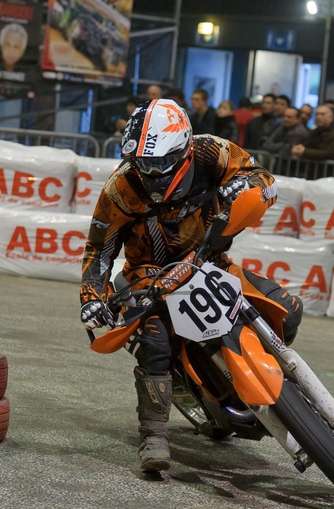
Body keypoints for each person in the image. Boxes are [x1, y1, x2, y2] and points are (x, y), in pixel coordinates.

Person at [80, 100, 303, 471]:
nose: (151, 174)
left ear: (183, 148)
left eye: (160, 163)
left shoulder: (212, 150)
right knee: (154, 339)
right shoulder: (119, 189)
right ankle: (153, 434)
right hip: (150, 275)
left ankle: (273, 377)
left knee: (287, 310)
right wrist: (91, 298)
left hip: (208, 260)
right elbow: (98, 249)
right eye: (142, 164)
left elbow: (261, 176)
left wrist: (246, 187)